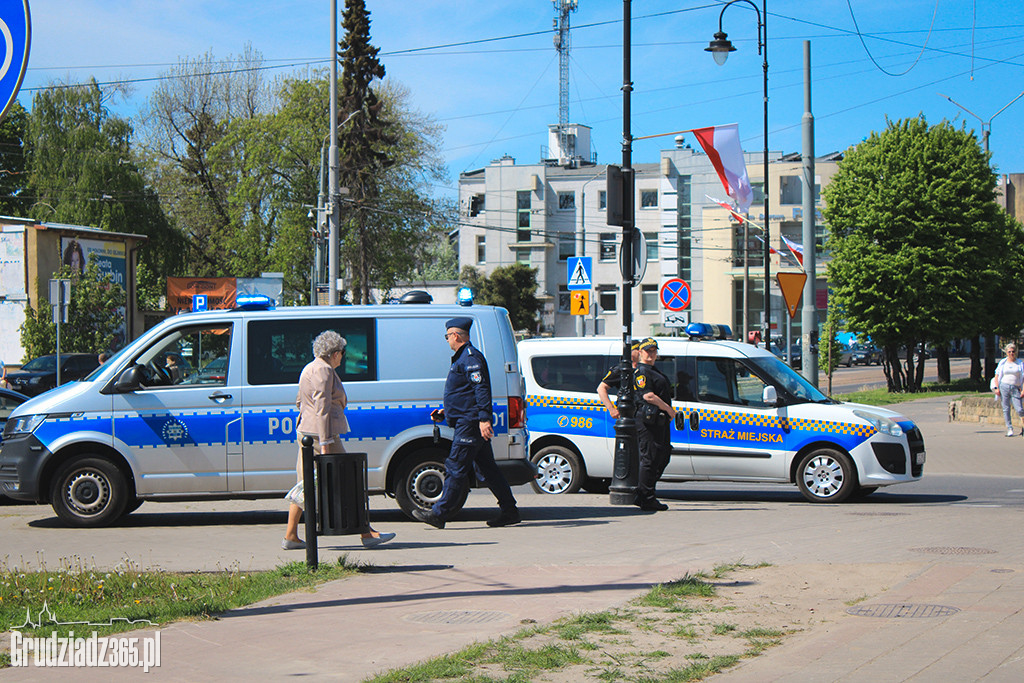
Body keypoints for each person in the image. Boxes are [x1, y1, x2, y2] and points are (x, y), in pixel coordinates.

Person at [283, 330, 395, 549]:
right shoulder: (324, 370)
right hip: (323, 436)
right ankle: (367, 534)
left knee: (305, 485)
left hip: (306, 434)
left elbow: (300, 402)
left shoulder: (309, 368)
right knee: (349, 482)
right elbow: (322, 408)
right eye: (342, 353)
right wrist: (325, 444)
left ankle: (291, 535)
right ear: (334, 353)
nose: (343, 358)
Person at [412, 317, 520, 529]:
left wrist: (484, 418)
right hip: (467, 419)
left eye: (447, 337)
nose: (447, 341)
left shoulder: (470, 358)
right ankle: (510, 511)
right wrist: (446, 411)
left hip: (470, 423)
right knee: (489, 470)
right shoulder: (462, 358)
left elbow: (480, 389)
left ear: (455, 335)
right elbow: (465, 392)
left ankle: (439, 513)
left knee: (456, 466)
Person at [633, 338, 677, 511]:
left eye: (653, 350)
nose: (651, 354)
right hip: (648, 420)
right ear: (641, 353)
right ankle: (646, 497)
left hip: (659, 420)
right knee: (650, 458)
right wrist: (669, 409)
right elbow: (648, 396)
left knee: (663, 455)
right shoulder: (642, 372)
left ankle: (644, 492)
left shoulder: (653, 370)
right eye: (647, 351)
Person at [597, 340, 640, 418]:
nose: (640, 352)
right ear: (631, 352)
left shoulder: (642, 369)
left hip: (639, 412)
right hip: (626, 413)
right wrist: (611, 409)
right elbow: (601, 388)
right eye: (638, 349)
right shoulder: (621, 369)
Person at [993, 342, 1024, 437]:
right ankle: (1009, 428)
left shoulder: (1019, 363)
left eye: (1013, 351)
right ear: (1006, 352)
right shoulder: (1003, 362)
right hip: (1004, 386)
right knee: (1006, 408)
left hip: (1015, 387)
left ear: (1016, 352)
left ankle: (1023, 426)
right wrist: (997, 388)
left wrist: (1023, 390)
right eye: (1009, 352)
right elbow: (997, 376)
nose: (1011, 353)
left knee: (1019, 409)